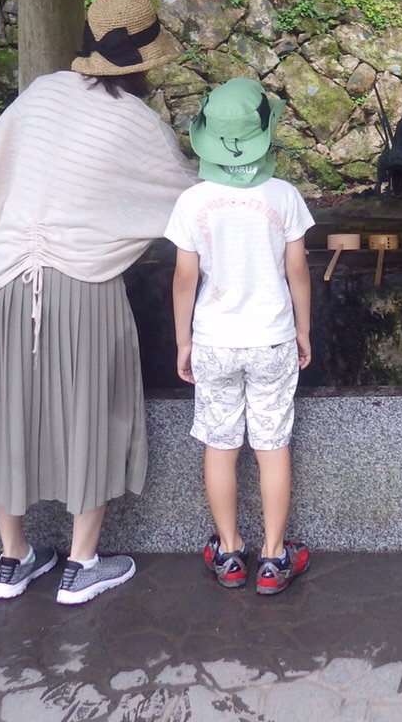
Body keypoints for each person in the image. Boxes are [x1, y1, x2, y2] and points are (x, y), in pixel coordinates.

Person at [0, 0, 198, 605]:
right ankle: (82, 562)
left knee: (7, 409)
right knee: (94, 410)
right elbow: (182, 197)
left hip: (11, 278)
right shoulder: (136, 122)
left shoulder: (38, 95)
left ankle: (13, 561)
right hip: (83, 283)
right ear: (143, 64)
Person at [166, 78, 315, 596]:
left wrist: (183, 339)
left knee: (220, 445)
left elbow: (185, 277)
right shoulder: (285, 196)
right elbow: (297, 269)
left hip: (213, 339)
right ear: (264, 134)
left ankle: (229, 552)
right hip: (271, 338)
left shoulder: (193, 201)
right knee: (273, 446)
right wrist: (302, 329)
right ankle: (274, 559)